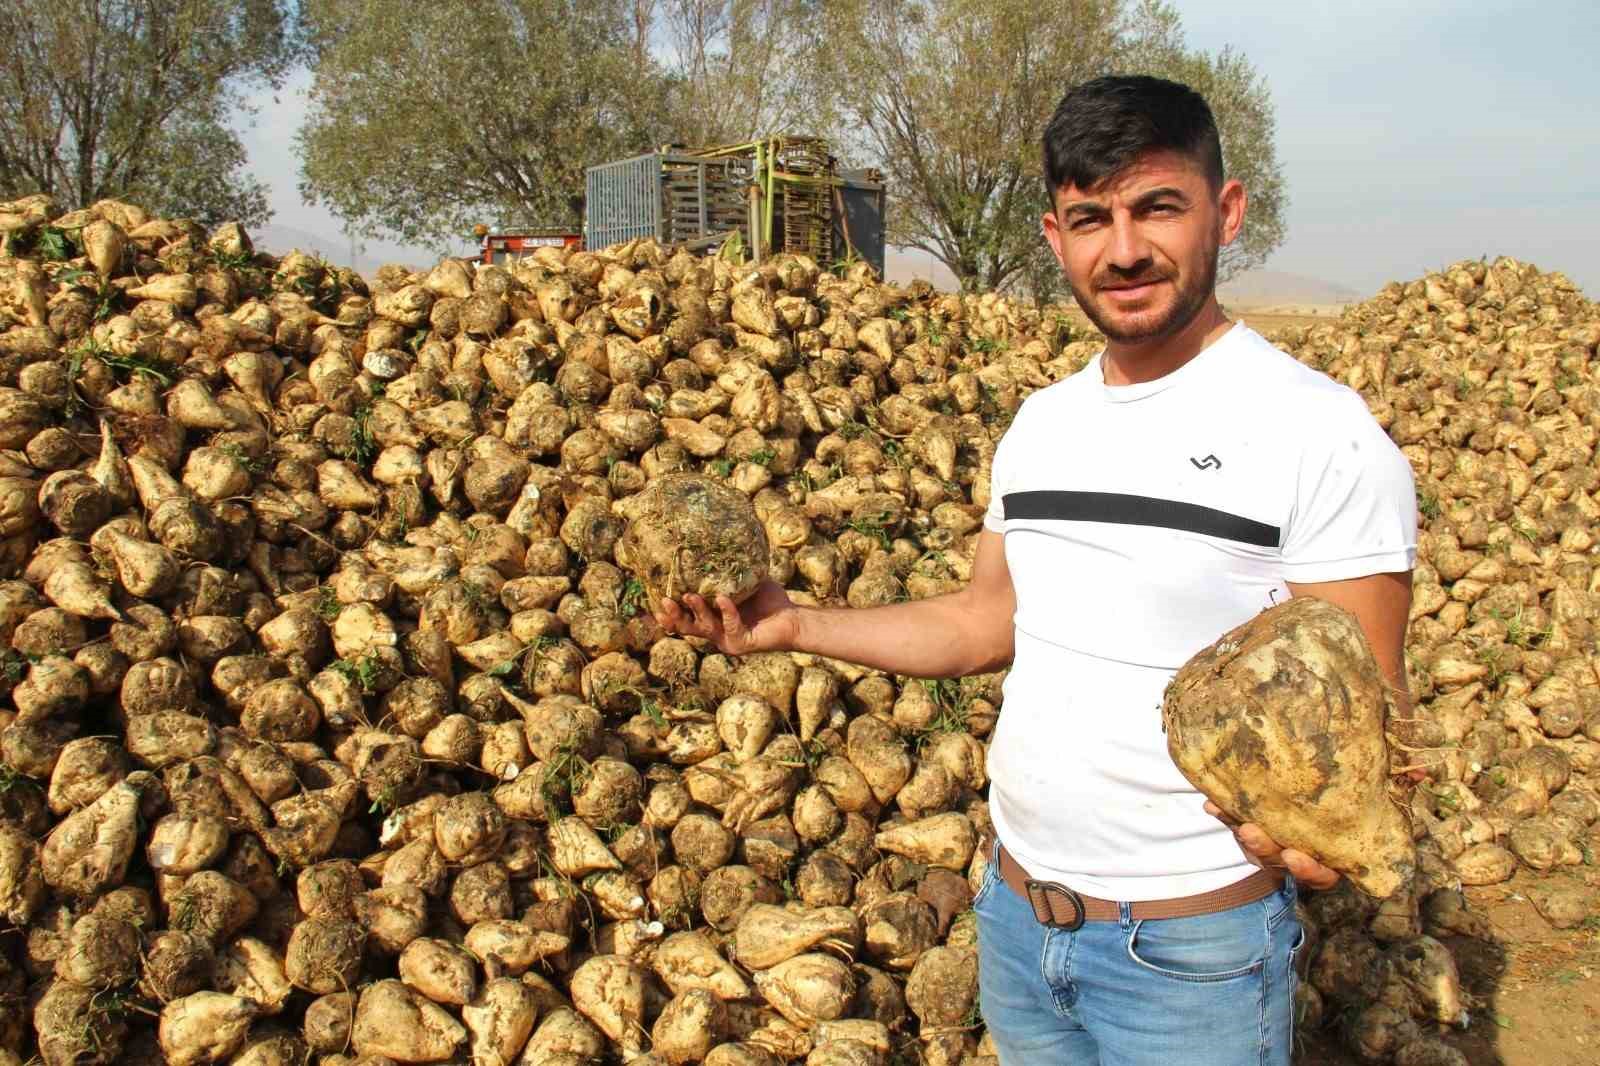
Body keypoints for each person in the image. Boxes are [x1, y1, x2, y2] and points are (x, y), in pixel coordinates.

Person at [654, 74, 1417, 1066]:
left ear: (1224, 213)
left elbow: (1365, 729)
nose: (1125, 248)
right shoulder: (1041, 425)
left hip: (1189, 955)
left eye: (1157, 208)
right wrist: (794, 624)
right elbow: (985, 619)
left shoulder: (1321, 435)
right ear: (1055, 237)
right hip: (1016, 924)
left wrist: (1323, 844)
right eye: (1090, 218)